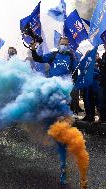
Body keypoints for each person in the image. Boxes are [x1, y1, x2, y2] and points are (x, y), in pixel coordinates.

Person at [31, 36, 77, 187]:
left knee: (63, 120)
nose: (64, 46)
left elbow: (77, 71)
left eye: (66, 44)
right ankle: (53, 133)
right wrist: (33, 49)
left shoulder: (71, 57)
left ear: (68, 45)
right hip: (52, 90)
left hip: (65, 92)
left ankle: (64, 162)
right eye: (62, 44)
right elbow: (38, 58)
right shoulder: (53, 55)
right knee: (51, 118)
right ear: (58, 45)